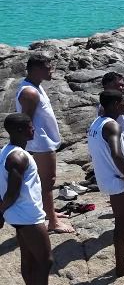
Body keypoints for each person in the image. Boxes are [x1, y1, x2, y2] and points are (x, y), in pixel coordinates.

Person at [0, 113, 57, 285]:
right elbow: (12, 192)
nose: (34, 130)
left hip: (19, 215)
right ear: (20, 130)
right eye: (31, 127)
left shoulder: (7, 152)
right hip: (27, 216)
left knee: (30, 259)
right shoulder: (19, 157)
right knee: (45, 260)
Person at [14, 53, 73, 234]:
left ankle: (49, 212)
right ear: (37, 69)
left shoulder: (35, 87)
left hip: (43, 141)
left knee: (45, 180)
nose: (52, 71)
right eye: (48, 68)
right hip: (41, 143)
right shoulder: (30, 92)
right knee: (48, 181)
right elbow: (26, 121)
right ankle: (53, 223)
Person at [87, 90, 124, 277]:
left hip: (107, 177)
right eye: (123, 103)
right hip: (117, 180)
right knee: (121, 222)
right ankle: (121, 266)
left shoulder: (96, 123)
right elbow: (117, 154)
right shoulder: (112, 126)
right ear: (115, 105)